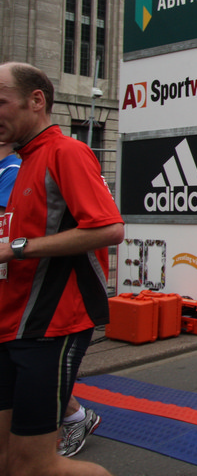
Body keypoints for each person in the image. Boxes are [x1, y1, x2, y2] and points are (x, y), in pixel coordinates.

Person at [0, 62, 125, 476]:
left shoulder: (66, 152)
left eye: (1, 101)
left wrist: (16, 248)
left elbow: (109, 229)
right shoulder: (22, 160)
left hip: (51, 326)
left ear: (36, 100)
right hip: (11, 324)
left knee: (32, 468)